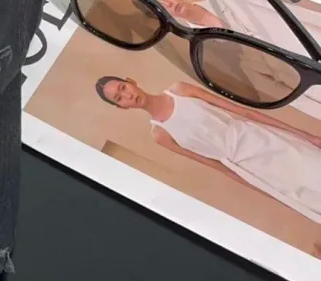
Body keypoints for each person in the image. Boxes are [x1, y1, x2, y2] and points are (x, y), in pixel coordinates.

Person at [96, 76, 321, 225]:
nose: (128, 95)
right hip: (249, 168)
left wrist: (306, 135)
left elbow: (244, 112)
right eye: (119, 98)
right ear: (120, 107)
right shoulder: (160, 135)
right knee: (310, 198)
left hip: (263, 139)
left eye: (123, 87)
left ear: (130, 81)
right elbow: (219, 167)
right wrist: (272, 195)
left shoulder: (180, 90)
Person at [138, 0, 321, 119]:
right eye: (161, 7)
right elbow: (272, 88)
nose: (168, 4)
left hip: (314, 43)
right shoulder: (205, 51)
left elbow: (290, 13)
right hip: (309, 82)